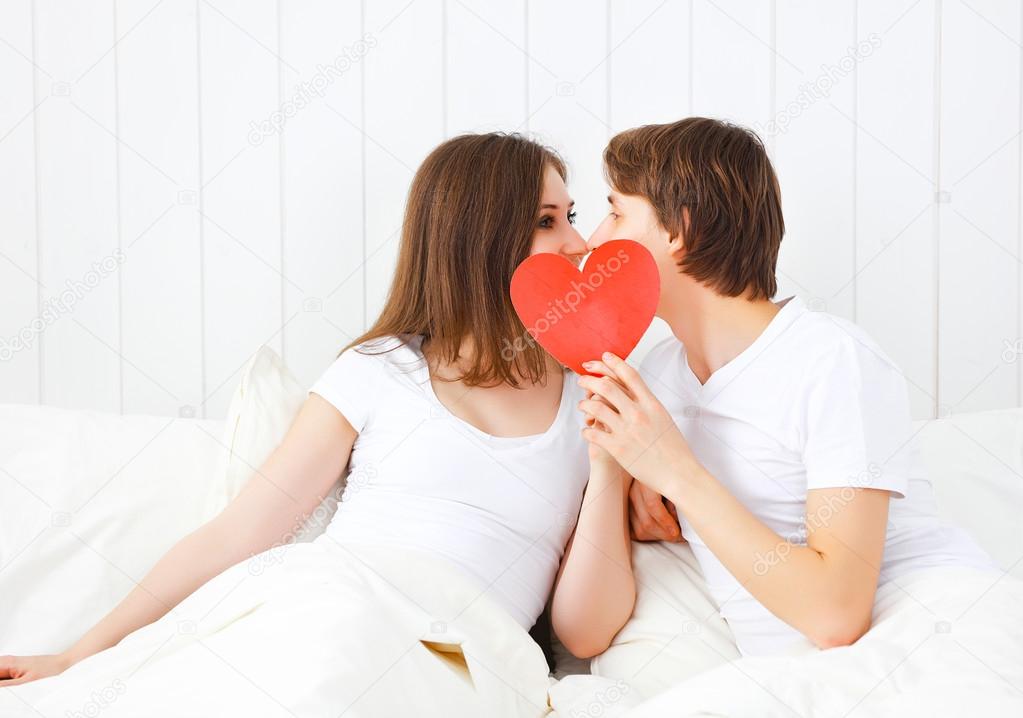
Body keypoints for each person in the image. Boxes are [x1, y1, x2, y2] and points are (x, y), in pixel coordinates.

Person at [0, 132, 630, 700]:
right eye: (549, 221)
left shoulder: (595, 396)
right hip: (334, 601)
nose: (578, 242)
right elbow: (238, 534)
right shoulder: (378, 369)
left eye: (570, 215)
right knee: (321, 656)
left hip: (460, 653)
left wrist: (612, 468)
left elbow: (584, 633)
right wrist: (80, 655)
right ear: (480, 242)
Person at [566, 117, 1001, 658]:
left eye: (614, 212)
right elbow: (583, 636)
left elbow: (836, 615)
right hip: (800, 679)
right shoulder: (654, 378)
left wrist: (673, 470)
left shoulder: (832, 361)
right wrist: (620, 474)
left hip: (933, 639)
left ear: (679, 230)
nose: (590, 242)